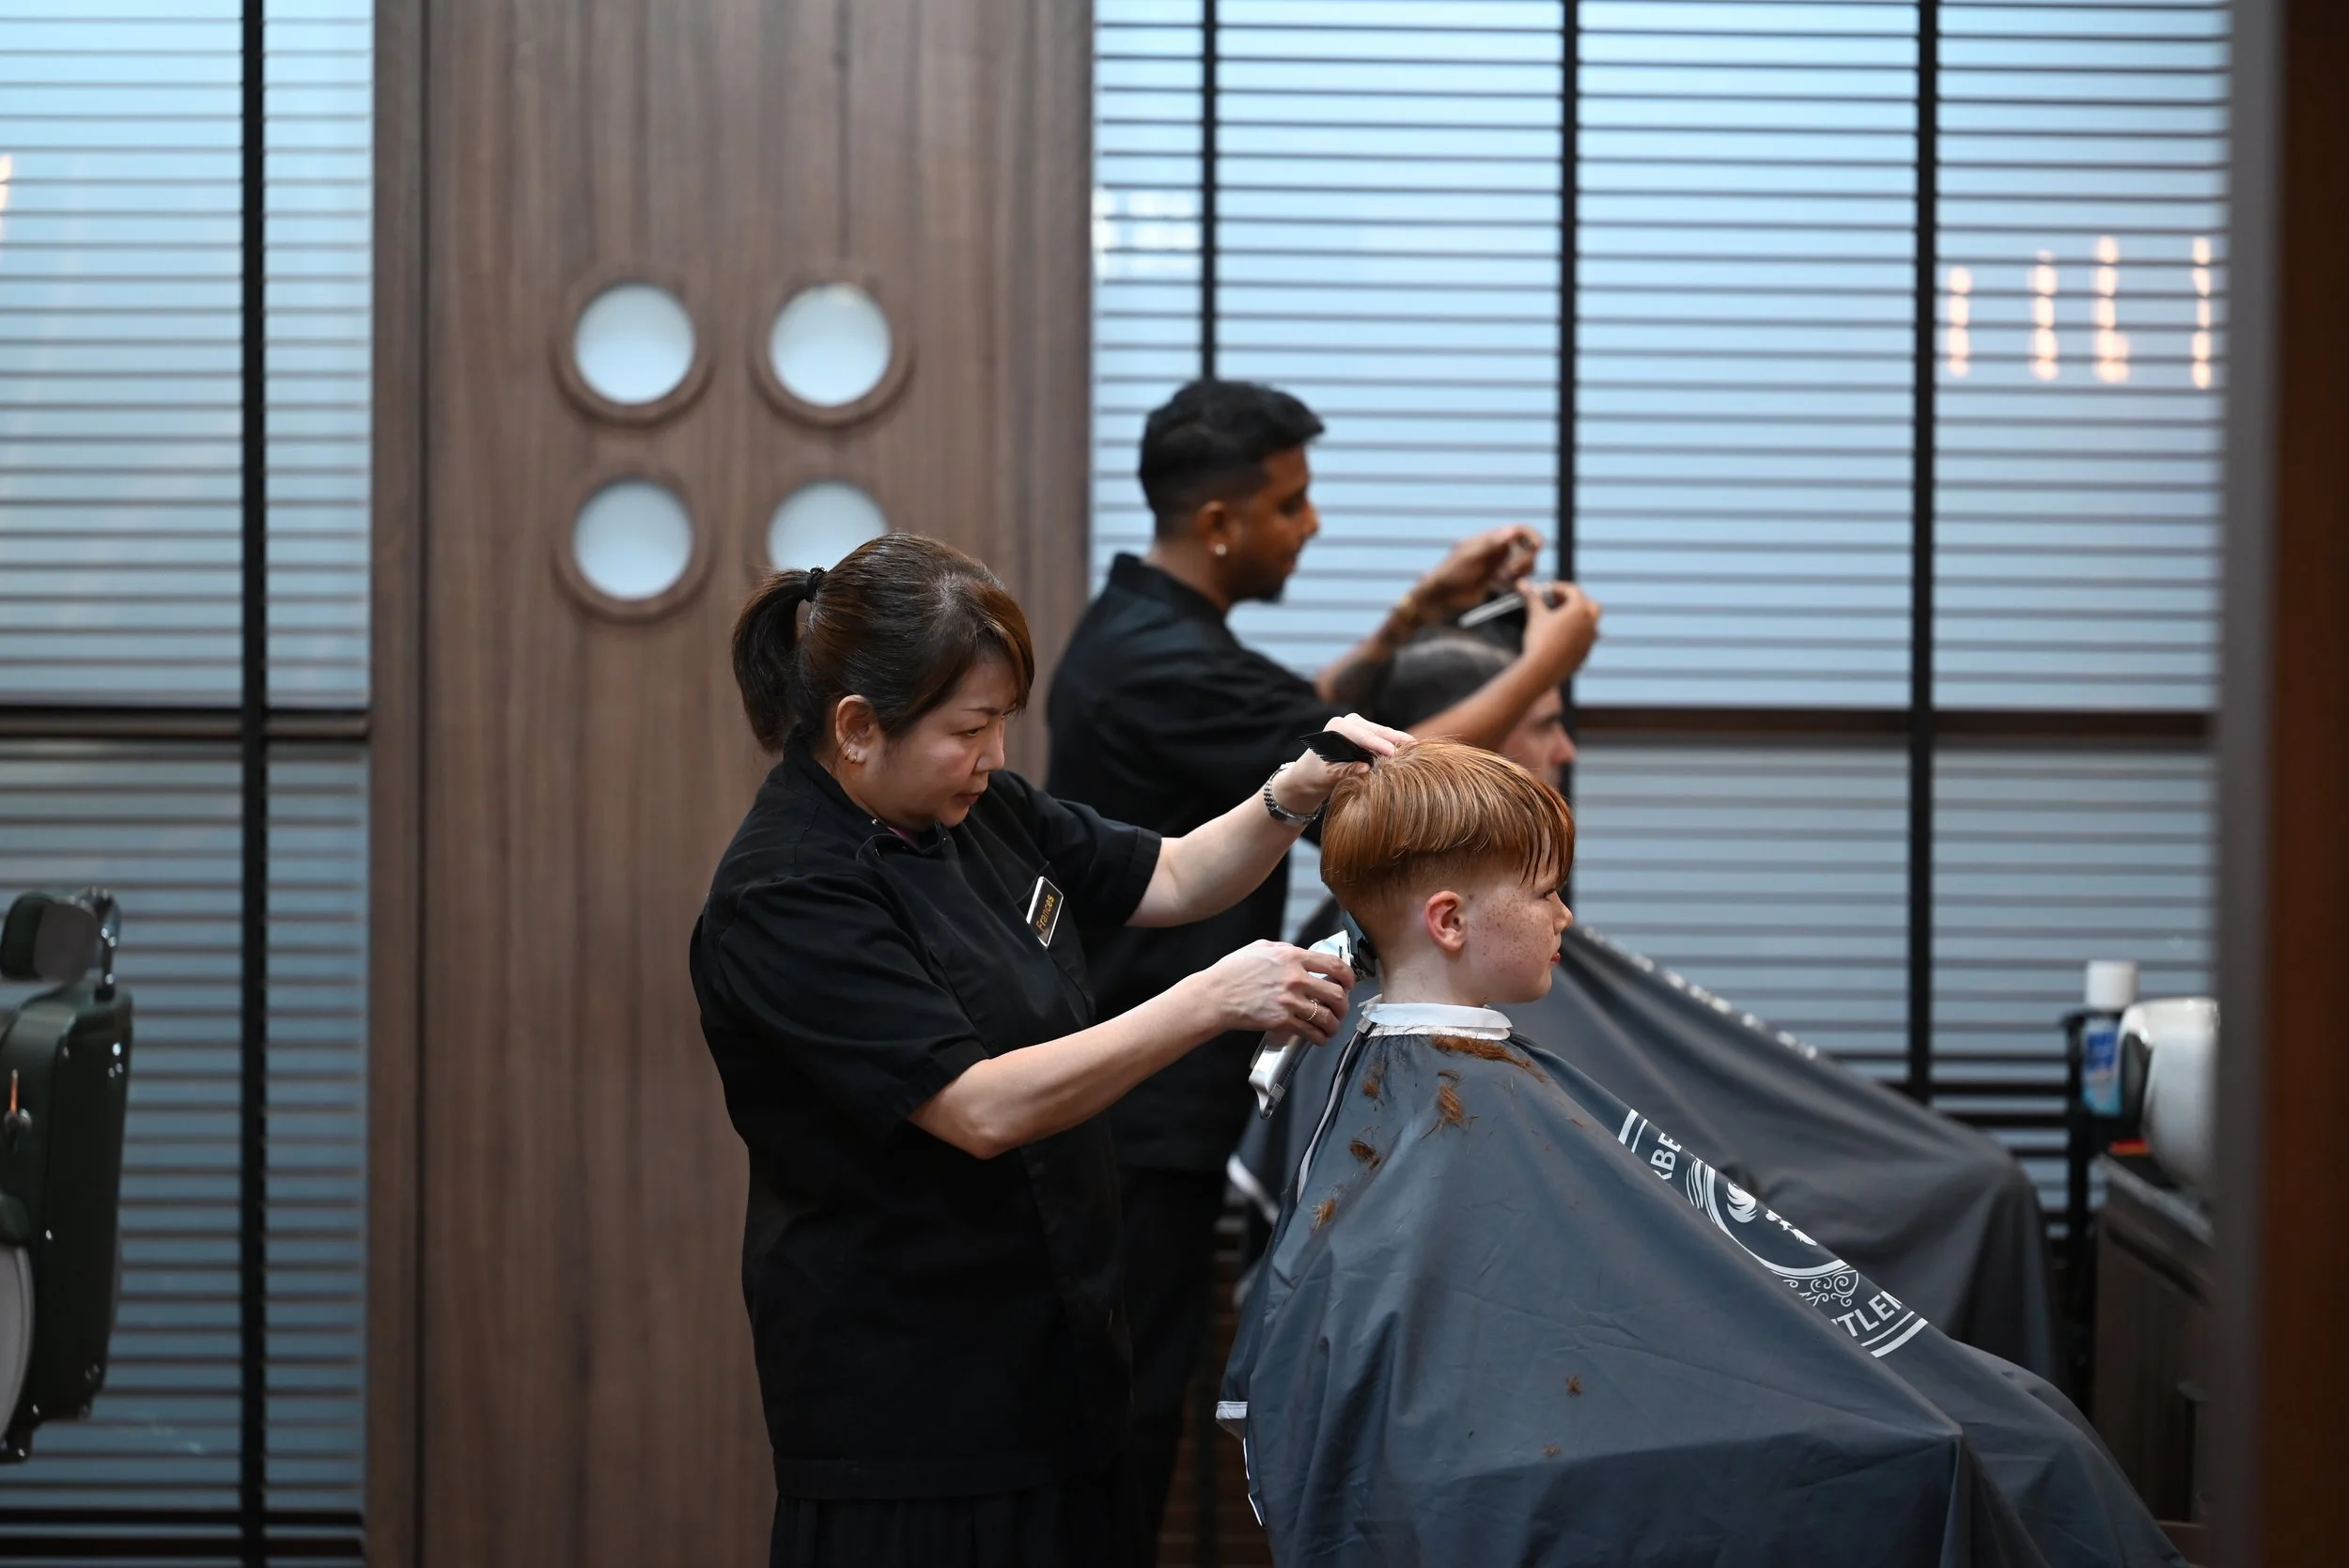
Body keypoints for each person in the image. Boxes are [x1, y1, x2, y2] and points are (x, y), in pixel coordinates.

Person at [1223, 740, 2180, 1567]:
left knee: (2023, 1414)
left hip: (1599, 1408)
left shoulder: (1432, 1079)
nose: (1564, 918)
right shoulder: (1441, 1098)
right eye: (1547, 892)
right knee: (1975, 1444)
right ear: (1447, 920)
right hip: (1584, 1442)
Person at [689, 533, 1408, 1568]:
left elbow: (1169, 877)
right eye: (968, 728)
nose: (992, 756)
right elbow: (977, 1107)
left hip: (1056, 1362)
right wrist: (1207, 998)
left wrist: (1294, 790)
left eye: (1000, 726)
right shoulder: (787, 894)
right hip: (915, 1407)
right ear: (855, 728)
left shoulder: (975, 813)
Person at [1046, 377, 1604, 1543]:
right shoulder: (1148, 659)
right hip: (1139, 1091)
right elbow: (1371, 766)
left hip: (1172, 1080)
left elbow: (1306, 720)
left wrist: (1415, 614)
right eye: (1292, 505)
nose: (1311, 525)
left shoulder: (1166, 637)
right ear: (1217, 525)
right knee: (1124, 1416)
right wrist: (1545, 656)